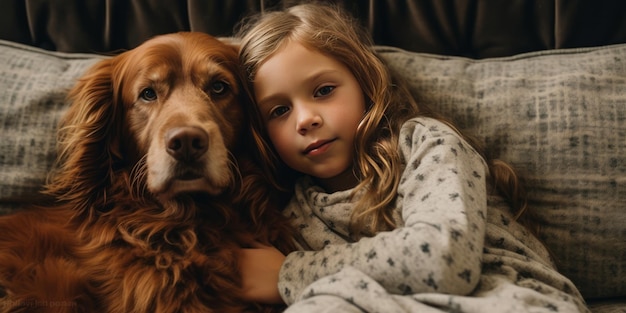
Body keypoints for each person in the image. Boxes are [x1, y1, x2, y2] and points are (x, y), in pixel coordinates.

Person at [235, 3, 589, 312]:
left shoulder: (424, 144)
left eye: (324, 91)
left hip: (509, 298)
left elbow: (445, 259)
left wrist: (290, 273)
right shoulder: (294, 215)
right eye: (279, 110)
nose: (304, 119)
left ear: (365, 82)